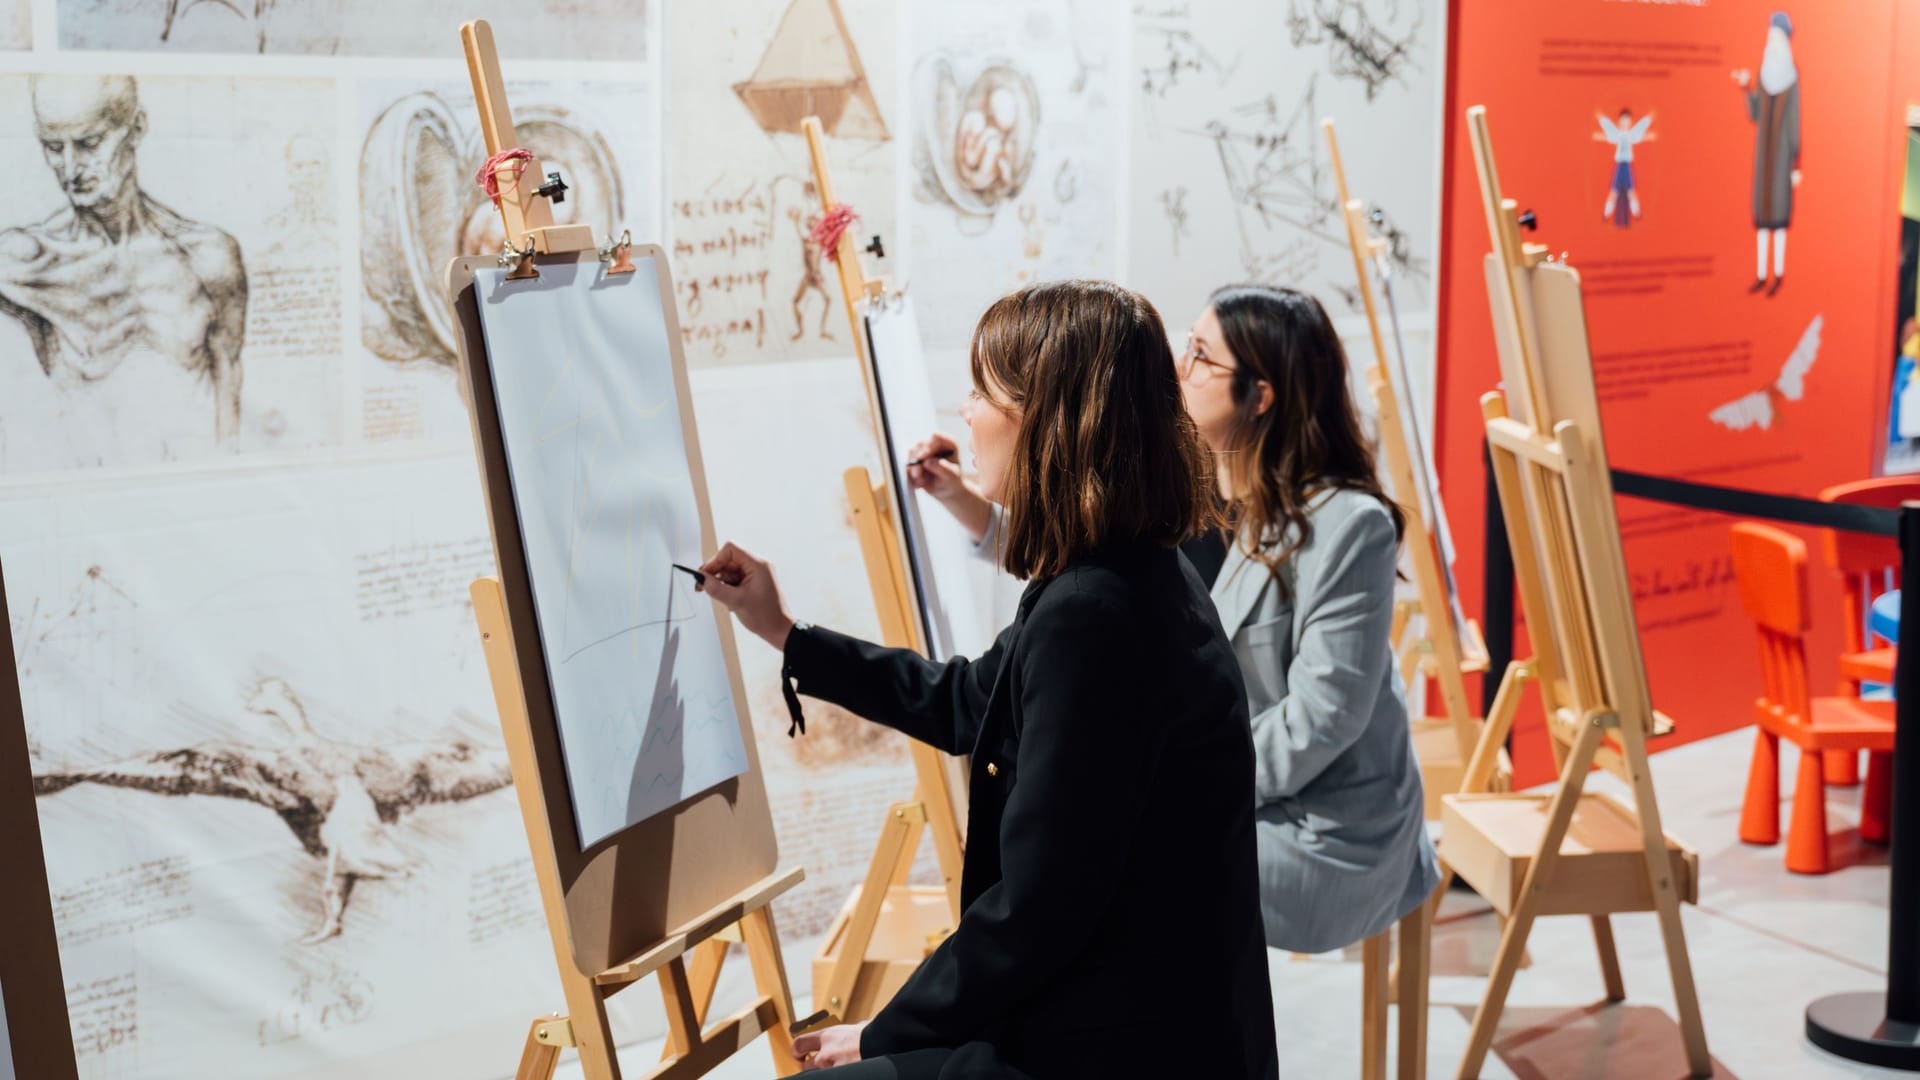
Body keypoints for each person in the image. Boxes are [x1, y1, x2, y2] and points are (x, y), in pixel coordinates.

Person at [698, 280, 1277, 1079]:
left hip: (1121, 1042)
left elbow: (1040, 905)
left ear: (1049, 416)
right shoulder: (1129, 570)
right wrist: (784, 632)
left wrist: (885, 1032)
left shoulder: (1097, 614)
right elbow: (968, 699)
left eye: (984, 390)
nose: (966, 411)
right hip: (1134, 1012)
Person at [912, 284, 1439, 956]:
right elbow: (1078, 538)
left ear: (1261, 394)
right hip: (1251, 798)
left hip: (1327, 832)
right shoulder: (1206, 485)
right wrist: (960, 494)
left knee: (1116, 866)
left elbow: (1322, 720)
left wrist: (1194, 784)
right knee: (1088, 850)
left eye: (1199, 356)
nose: (1178, 367)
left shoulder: (1347, 524)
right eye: (1185, 346)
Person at [0, 76, 247, 448]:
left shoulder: (208, 256)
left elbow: (229, 382)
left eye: (89, 143)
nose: (70, 169)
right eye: (53, 147)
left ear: (136, 129)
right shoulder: (29, 259)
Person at [1732, 11, 1802, 295]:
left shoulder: (1792, 78)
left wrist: (1796, 163)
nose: (1771, 40)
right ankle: (1762, 273)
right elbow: (1756, 113)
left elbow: (1794, 121)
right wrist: (1745, 86)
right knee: (1761, 217)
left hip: (1783, 155)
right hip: (1764, 156)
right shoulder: (1763, 73)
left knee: (1780, 217)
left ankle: (1779, 273)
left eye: (1776, 35)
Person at [1593, 107, 1656, 228]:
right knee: (1613, 192)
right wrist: (1600, 121)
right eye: (1623, 121)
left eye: (1627, 121)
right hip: (1619, 166)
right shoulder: (1616, 134)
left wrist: (1649, 131)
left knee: (1631, 191)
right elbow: (1608, 131)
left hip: (1627, 166)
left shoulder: (1632, 134)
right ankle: (1606, 214)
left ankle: (1636, 213)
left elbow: (1641, 130)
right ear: (1619, 122)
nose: (1625, 124)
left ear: (1630, 122)